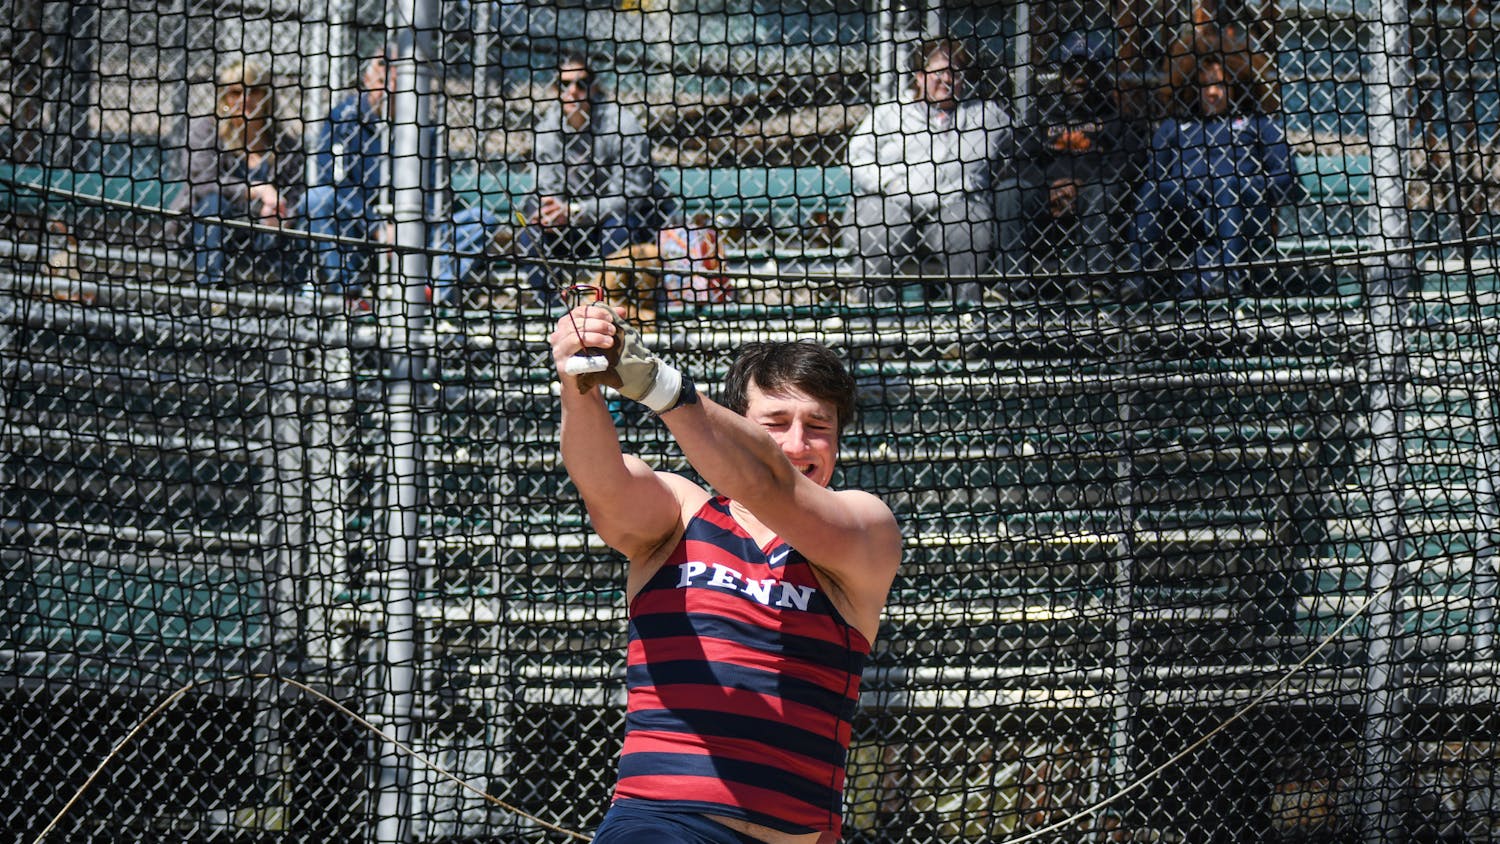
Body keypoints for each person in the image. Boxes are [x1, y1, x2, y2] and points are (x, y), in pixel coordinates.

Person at [547, 304, 902, 843]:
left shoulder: (864, 527)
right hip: (661, 824)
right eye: (775, 424)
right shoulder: (681, 513)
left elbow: (770, 483)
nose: (797, 445)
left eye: (817, 426)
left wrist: (660, 386)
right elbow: (605, 486)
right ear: (734, 427)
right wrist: (580, 380)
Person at [302, 46, 492, 303]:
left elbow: (436, 191)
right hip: (358, 233)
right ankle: (347, 296)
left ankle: (430, 294)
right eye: (382, 83)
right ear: (367, 81)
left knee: (482, 220)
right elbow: (332, 180)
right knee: (318, 199)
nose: (389, 92)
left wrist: (408, 227)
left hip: (418, 233)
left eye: (398, 84)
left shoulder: (426, 127)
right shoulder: (343, 118)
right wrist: (378, 228)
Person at [845, 37, 1018, 303]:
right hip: (892, 200)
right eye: (938, 72)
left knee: (970, 229)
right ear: (920, 77)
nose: (946, 79)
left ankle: (964, 325)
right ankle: (874, 323)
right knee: (878, 230)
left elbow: (1012, 156)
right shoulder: (891, 113)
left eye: (954, 73)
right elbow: (856, 156)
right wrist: (889, 183)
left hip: (955, 202)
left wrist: (975, 182)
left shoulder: (987, 116)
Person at [1130, 53, 1300, 299]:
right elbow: (1155, 173)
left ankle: (1227, 276)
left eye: (1220, 85)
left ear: (1236, 86)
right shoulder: (1177, 126)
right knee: (1155, 189)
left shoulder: (1257, 123)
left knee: (1225, 185)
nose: (1212, 93)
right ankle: (1137, 279)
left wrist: (1248, 186)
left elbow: (1286, 176)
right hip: (1190, 212)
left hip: (1243, 209)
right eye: (1204, 85)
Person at [519, 53, 668, 305]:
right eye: (564, 84)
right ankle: (554, 309)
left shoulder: (622, 124)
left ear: (594, 86)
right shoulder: (547, 130)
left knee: (618, 229)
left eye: (581, 83)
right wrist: (550, 211)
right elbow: (546, 187)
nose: (573, 91)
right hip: (572, 227)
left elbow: (631, 195)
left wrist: (576, 210)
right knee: (530, 234)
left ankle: (609, 306)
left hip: (620, 221)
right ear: (555, 89)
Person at [1018, 30, 1148, 299]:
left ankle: (1094, 285)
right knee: (1010, 190)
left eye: (1087, 70)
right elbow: (1020, 162)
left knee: (1101, 192)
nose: (1079, 78)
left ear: (1100, 74)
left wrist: (1080, 184)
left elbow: (1125, 166)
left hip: (1093, 194)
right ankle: (1013, 285)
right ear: (1061, 74)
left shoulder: (1115, 119)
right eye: (1071, 70)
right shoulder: (1041, 115)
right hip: (1047, 195)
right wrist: (1050, 186)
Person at [178, 58, 309, 289]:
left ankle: (295, 300)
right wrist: (257, 190)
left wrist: (283, 212)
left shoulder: (285, 144)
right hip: (207, 230)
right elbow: (202, 183)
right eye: (236, 92)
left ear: (266, 96)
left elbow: (297, 192)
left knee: (307, 216)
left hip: (264, 232)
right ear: (224, 98)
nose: (245, 99)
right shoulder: (206, 131)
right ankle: (213, 294)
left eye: (254, 91)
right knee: (213, 204)